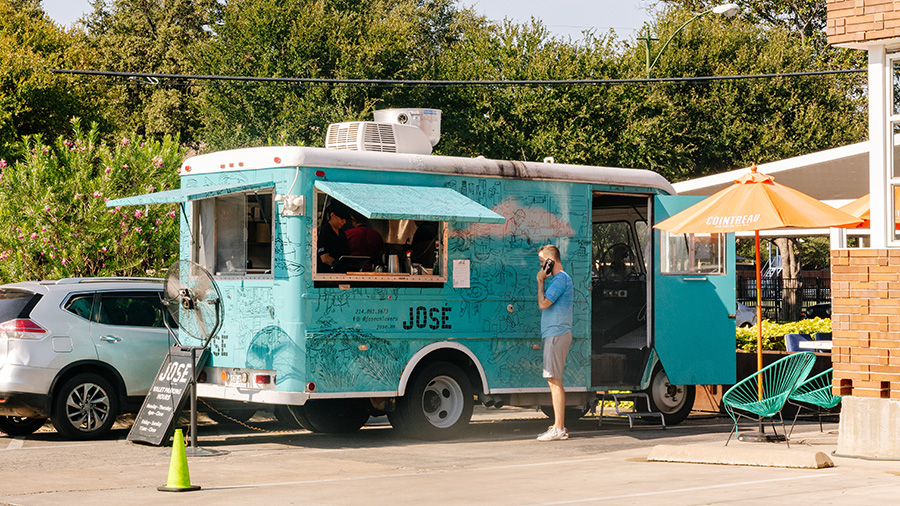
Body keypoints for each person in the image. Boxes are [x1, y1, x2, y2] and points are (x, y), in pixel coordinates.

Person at [535, 244, 574, 441]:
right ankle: (558, 426)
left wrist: (540, 281)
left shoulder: (560, 279)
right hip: (554, 333)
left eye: (543, 262)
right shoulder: (559, 280)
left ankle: (559, 428)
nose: (541, 266)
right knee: (553, 379)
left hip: (556, 334)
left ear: (551, 262)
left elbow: (543, 304)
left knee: (554, 379)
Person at [317, 203, 352, 273]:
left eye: (345, 220)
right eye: (341, 219)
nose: (344, 222)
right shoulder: (324, 231)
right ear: (332, 215)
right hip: (326, 273)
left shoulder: (342, 233)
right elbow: (324, 258)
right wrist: (338, 265)